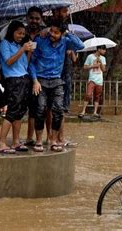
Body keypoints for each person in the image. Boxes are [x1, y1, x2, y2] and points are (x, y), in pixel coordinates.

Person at [29, 20, 84, 152]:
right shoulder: (41, 40)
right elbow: (31, 63)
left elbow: (80, 45)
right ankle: (38, 141)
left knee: (58, 110)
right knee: (40, 109)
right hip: (41, 80)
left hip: (56, 81)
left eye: (56, 32)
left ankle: (53, 140)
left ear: (62, 33)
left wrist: (68, 33)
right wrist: (35, 80)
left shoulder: (65, 41)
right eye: (51, 31)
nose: (52, 34)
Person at [0, 20, 33, 154]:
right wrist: (22, 49)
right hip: (13, 80)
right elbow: (9, 61)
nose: (21, 36)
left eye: (23, 34)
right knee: (12, 111)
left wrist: (29, 52)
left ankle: (16, 141)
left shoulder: (20, 46)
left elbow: (25, 65)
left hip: (24, 79)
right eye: (19, 33)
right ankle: (1, 142)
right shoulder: (5, 44)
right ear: (12, 32)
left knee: (19, 112)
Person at [25, 6, 45, 147]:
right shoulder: (20, 33)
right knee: (18, 108)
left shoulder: (44, 35)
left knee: (36, 108)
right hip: (20, 75)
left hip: (38, 77)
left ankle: (29, 137)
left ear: (41, 20)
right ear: (27, 18)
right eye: (32, 18)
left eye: (37, 18)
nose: (34, 21)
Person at [78, 45, 107, 118]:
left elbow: (104, 70)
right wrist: (93, 66)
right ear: (99, 49)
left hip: (99, 80)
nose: (105, 51)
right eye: (103, 50)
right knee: (88, 95)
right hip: (92, 79)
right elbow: (85, 66)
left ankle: (95, 112)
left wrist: (100, 63)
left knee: (97, 96)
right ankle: (83, 111)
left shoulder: (103, 58)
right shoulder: (90, 56)